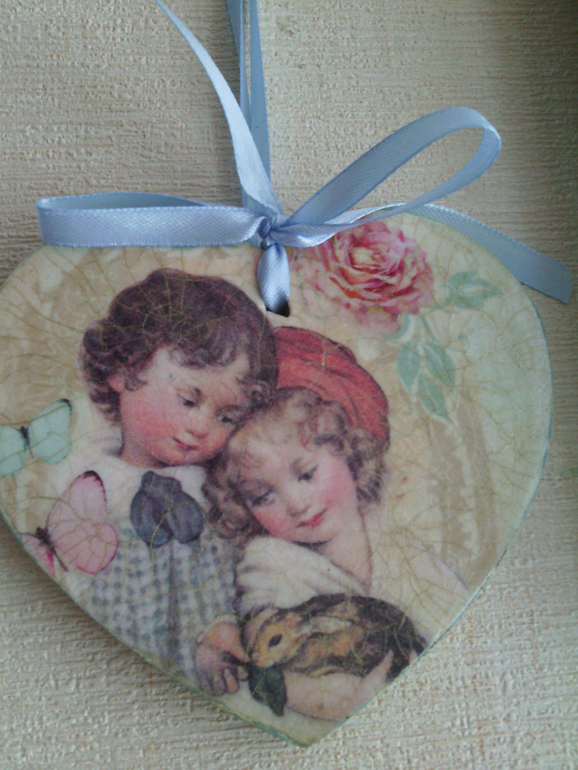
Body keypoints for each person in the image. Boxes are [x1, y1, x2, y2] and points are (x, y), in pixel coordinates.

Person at [198, 327, 468, 721]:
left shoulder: (395, 542)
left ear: (347, 450)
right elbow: (269, 662)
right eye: (262, 497)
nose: (296, 503)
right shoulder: (270, 564)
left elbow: (450, 610)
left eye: (306, 474)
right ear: (241, 507)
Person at [70, 268, 278, 681]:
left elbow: (231, 585)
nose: (201, 427)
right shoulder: (91, 492)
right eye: (188, 399)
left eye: (226, 416)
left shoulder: (217, 495)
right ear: (123, 371)